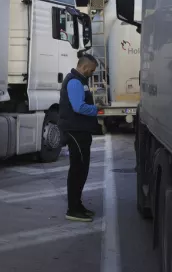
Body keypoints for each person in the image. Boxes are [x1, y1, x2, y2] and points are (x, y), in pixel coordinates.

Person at [58, 54, 100, 222]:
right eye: (92, 69)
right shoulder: (75, 82)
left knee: (81, 169)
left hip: (80, 130)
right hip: (75, 131)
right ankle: (73, 208)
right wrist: (97, 109)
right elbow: (78, 107)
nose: (92, 72)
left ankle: (77, 204)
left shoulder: (79, 80)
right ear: (84, 67)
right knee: (78, 170)